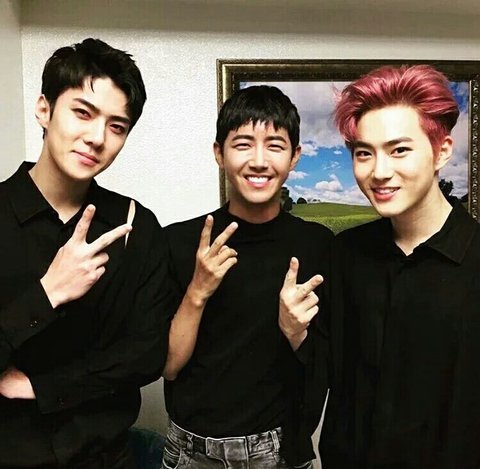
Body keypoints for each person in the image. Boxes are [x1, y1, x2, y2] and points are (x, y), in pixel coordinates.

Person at [0, 38, 172, 468]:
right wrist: (47, 294)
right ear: (44, 109)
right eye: (82, 112)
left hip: (107, 458)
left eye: (117, 126)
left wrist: (43, 386)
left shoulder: (135, 225)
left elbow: (146, 354)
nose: (97, 138)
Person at [307, 64, 479, 468]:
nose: (379, 172)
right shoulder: (345, 254)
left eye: (399, 150)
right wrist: (294, 330)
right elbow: (323, 374)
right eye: (364, 153)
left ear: (442, 151)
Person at [161, 85, 332, 468]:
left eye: (275, 146)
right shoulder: (178, 241)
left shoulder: (318, 245)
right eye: (242, 145)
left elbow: (329, 365)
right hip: (191, 452)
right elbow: (169, 366)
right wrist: (197, 291)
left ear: (295, 157)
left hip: (279, 451)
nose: (258, 161)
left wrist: (296, 332)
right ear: (219, 153)